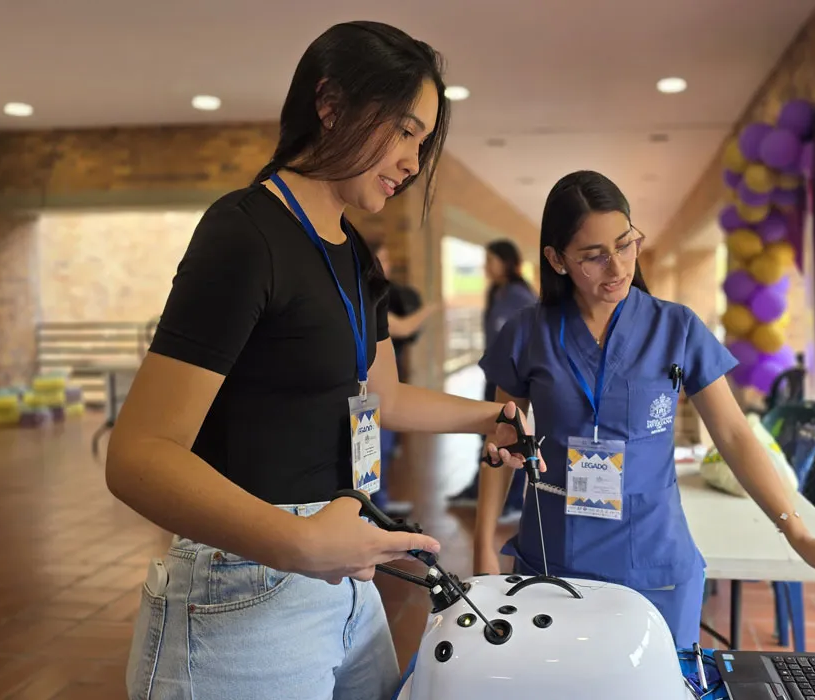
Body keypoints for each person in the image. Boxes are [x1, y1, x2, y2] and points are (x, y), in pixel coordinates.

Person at [106, 21, 539, 700]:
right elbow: (136, 455)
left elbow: (384, 397)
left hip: (343, 578)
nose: (412, 161)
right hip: (244, 592)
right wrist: (300, 544)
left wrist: (492, 417)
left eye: (422, 143)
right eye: (403, 130)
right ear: (330, 104)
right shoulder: (245, 234)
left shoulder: (355, 253)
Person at [473, 170, 815, 650]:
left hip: (654, 564)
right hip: (552, 560)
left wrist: (798, 534)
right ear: (556, 260)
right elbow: (502, 440)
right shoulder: (527, 333)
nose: (616, 266)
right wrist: (482, 542)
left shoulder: (675, 328)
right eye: (593, 256)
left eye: (625, 243)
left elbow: (736, 436)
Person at [447, 239, 537, 521]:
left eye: (490, 260)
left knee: (512, 436)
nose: (486, 266)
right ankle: (479, 489)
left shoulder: (521, 296)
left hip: (513, 378)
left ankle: (510, 502)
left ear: (507, 262)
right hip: (495, 375)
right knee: (489, 433)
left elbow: (527, 341)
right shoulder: (497, 292)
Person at [370, 241, 438, 516]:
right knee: (375, 446)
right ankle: (376, 509)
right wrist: (433, 307)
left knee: (382, 446)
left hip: (383, 377)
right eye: (382, 259)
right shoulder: (363, 298)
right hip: (370, 384)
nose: (388, 266)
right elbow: (404, 327)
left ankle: (380, 505)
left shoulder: (377, 296)